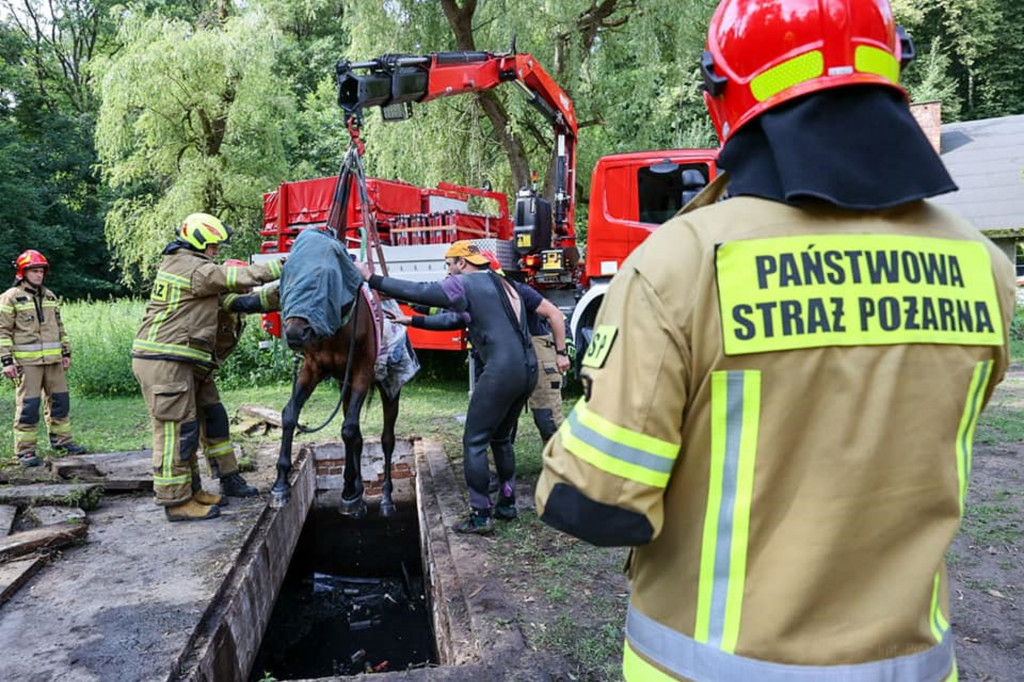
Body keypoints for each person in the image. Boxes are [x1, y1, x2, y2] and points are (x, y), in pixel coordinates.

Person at [535, 1, 1017, 680]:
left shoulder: (681, 262)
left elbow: (595, 502)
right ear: (892, 74)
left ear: (723, 92)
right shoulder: (983, 266)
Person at [356, 241, 540, 534]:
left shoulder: (464, 283)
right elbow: (457, 319)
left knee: (474, 441)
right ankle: (507, 503)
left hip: (501, 370)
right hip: (528, 369)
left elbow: (422, 291)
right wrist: (412, 320)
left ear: (462, 263)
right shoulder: (503, 284)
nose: (448, 272)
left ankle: (481, 515)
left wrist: (371, 278)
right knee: (502, 438)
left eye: (449, 265)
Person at [132, 214, 282, 522]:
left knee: (207, 418)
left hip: (183, 363)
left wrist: (291, 289)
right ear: (199, 241)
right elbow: (234, 279)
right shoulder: (190, 267)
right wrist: (283, 266)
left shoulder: (191, 269)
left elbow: (244, 302)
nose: (216, 252)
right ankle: (175, 502)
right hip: (167, 363)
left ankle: (193, 491)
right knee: (177, 430)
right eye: (213, 246)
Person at [189, 261, 282, 500]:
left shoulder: (230, 303)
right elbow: (253, 303)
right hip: (183, 370)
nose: (249, 289)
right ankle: (188, 486)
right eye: (245, 284)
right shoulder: (223, 299)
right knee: (187, 428)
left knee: (215, 420)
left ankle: (227, 476)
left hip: (202, 371)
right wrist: (285, 283)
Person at [0, 250, 86, 466]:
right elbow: (2, 331)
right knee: (29, 406)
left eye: (41, 271)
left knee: (60, 403)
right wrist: (6, 361)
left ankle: (63, 442)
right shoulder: (10, 297)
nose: (39, 275)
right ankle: (25, 451)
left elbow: (59, 327)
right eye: (34, 271)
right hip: (27, 364)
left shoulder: (49, 296)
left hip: (54, 361)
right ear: (23, 272)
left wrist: (66, 352)